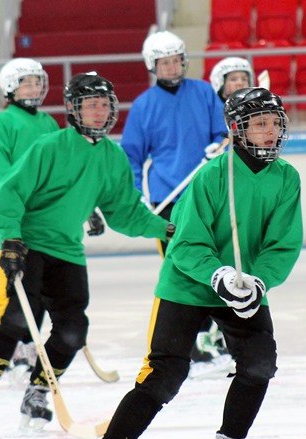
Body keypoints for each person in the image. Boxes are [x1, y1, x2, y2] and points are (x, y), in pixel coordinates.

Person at [64, 87, 303, 439]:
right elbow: (186, 245)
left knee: (260, 364)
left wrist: (258, 282)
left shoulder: (287, 178)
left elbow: (282, 245)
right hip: (187, 286)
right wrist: (219, 275)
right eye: (259, 124)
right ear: (237, 129)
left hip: (245, 289)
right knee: (164, 376)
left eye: (274, 124)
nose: (269, 133)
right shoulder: (212, 176)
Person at [0, 72, 175, 433]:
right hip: (30, 244)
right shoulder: (49, 147)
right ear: (74, 110)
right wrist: (11, 238)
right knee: (16, 319)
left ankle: (38, 391)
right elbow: (7, 193)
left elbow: (124, 211)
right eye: (90, 105)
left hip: (67, 251)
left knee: (74, 331)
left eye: (104, 104)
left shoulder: (112, 157)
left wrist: (166, 228)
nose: (98, 111)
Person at [121, 30, 234, 379]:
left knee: (218, 265)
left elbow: (223, 134)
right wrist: (135, 192)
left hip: (206, 196)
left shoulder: (203, 93)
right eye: (164, 62)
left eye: (176, 61)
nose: (171, 67)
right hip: (166, 202)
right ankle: (188, 342)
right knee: (182, 271)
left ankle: (223, 337)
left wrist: (218, 146)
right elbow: (132, 156)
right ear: (153, 66)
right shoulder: (143, 106)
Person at [0, 58, 59, 386]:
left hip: (49, 226)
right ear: (10, 88)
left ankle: (28, 346)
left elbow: (62, 169)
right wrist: (13, 212)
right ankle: (8, 350)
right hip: (18, 224)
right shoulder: (4, 124)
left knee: (41, 289)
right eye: (27, 82)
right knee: (12, 291)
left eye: (37, 81)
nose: (35, 87)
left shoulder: (50, 123)